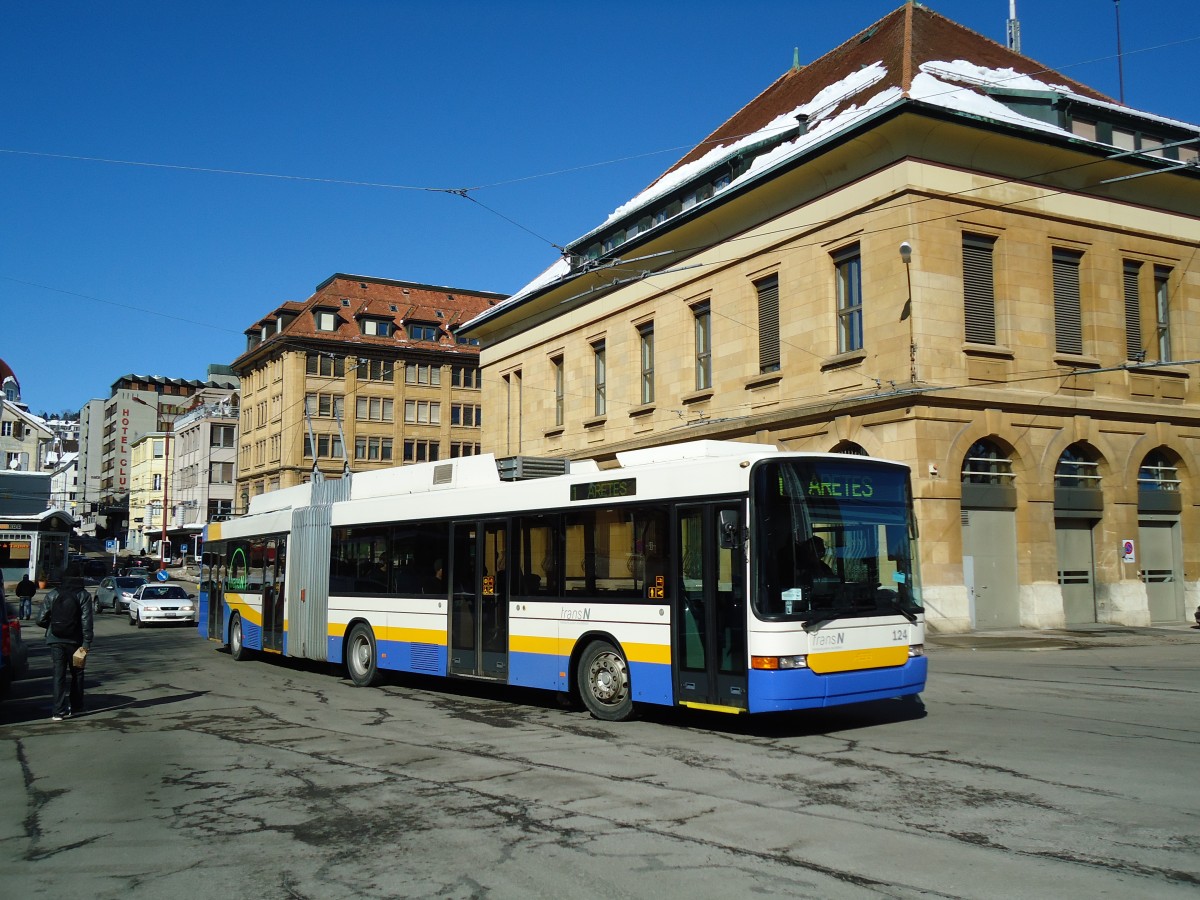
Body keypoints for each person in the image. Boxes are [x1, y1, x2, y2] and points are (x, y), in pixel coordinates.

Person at [37, 563, 94, 721]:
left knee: (58, 675)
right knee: (78, 673)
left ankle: (58, 711)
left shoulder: (53, 594)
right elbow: (86, 622)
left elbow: (40, 619)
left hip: (56, 640)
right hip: (77, 643)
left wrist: (53, 626)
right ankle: (77, 706)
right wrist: (87, 643)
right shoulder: (84, 595)